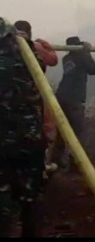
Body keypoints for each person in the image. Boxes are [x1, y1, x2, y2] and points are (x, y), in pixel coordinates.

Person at [0, 17, 47, 237]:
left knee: (4, 195)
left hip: (5, 142)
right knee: (30, 196)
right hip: (31, 139)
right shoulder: (30, 55)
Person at [13, 20, 59, 174]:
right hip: (35, 95)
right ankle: (41, 166)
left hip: (11, 97)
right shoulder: (35, 47)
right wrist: (46, 44)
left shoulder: (6, 47)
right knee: (45, 128)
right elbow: (53, 60)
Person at [52, 36, 95, 172]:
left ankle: (56, 161)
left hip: (61, 96)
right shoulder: (82, 57)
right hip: (74, 98)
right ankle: (76, 163)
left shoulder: (67, 58)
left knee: (62, 131)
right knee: (79, 132)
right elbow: (93, 70)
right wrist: (87, 52)